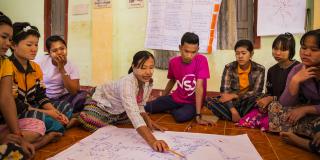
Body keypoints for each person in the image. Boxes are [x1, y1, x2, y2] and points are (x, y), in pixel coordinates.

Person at [78, 51, 169, 152]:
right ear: (133, 67)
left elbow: (140, 105)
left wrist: (149, 122)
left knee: (135, 120)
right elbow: (134, 114)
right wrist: (153, 141)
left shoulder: (148, 82)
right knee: (89, 122)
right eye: (143, 68)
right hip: (103, 102)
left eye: (151, 67)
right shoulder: (127, 83)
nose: (148, 72)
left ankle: (111, 119)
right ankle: (79, 116)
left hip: (120, 108)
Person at [10, 22, 71, 138]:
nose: (34, 49)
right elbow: (16, 105)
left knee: (65, 107)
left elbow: (40, 96)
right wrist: (48, 113)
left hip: (34, 107)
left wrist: (55, 112)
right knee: (49, 120)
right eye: (29, 45)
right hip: (18, 113)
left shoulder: (35, 68)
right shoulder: (8, 67)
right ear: (13, 45)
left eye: (36, 45)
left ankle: (54, 126)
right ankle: (51, 131)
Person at [268, 29, 320, 154]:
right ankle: (313, 134)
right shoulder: (297, 69)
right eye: (303, 47)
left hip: (313, 113)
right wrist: (295, 81)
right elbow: (284, 103)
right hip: (314, 116)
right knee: (275, 108)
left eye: (314, 50)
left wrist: (306, 109)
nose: (306, 53)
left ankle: (303, 142)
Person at [145, 32, 212, 125]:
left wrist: (198, 115)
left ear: (198, 50)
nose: (189, 55)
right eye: (186, 51)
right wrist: (163, 98)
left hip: (192, 103)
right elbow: (172, 80)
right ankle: (169, 107)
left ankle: (171, 110)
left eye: (193, 52)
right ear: (180, 48)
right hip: (176, 98)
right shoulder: (173, 62)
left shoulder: (202, 60)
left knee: (181, 117)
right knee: (148, 107)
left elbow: (199, 87)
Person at [237, 33, 299, 131]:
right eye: (275, 48)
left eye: (283, 50)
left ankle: (268, 122)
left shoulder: (297, 69)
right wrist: (264, 101)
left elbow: (296, 97)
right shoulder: (272, 70)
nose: (277, 53)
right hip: (273, 104)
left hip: (290, 106)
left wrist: (271, 99)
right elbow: (269, 92)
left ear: (291, 51)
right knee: (256, 99)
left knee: (268, 116)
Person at [0, 12, 35, 159]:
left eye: (10, 39)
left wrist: (18, 136)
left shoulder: (4, 62)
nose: (8, 43)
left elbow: (6, 98)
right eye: (3, 37)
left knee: (36, 127)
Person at [205, 39, 265, 122]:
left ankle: (230, 116)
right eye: (237, 53)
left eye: (243, 53)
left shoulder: (259, 69)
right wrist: (233, 111)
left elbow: (256, 92)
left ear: (251, 54)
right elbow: (225, 92)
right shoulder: (229, 68)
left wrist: (235, 95)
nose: (240, 56)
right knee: (208, 100)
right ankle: (242, 116)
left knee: (261, 97)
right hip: (231, 103)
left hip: (247, 102)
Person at [35, 35, 88, 128]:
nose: (59, 53)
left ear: (66, 48)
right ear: (49, 53)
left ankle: (63, 116)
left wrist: (62, 69)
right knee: (37, 107)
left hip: (62, 98)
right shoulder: (40, 61)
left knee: (83, 96)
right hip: (45, 99)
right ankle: (71, 117)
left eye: (62, 49)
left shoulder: (72, 65)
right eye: (54, 51)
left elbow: (74, 91)